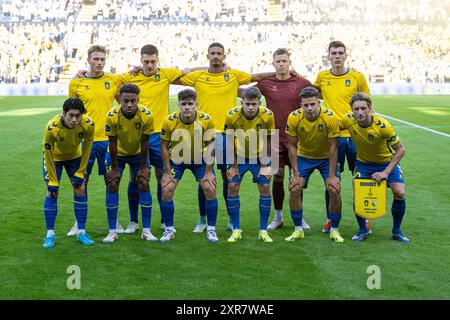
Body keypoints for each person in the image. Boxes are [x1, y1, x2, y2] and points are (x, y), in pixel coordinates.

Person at [179, 42, 284, 233]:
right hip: (204, 134)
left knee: (229, 177)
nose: (216, 56)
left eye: (219, 53)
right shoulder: (198, 76)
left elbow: (256, 76)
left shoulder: (234, 75)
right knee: (204, 178)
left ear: (224, 55)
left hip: (228, 134)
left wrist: (283, 72)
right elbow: (179, 75)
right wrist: (198, 68)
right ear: (208, 55)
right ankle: (202, 220)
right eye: (213, 54)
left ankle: (230, 218)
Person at [314, 40, 371, 233]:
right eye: (334, 53)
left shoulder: (357, 77)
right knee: (331, 180)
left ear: (345, 55)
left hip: (356, 137)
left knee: (361, 178)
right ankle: (331, 219)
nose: (337, 56)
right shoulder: (322, 77)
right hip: (333, 137)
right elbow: (311, 95)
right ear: (328, 56)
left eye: (340, 53)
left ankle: (364, 221)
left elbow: (368, 105)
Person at [252, 48, 312, 232]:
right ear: (273, 64)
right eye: (278, 61)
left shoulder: (302, 82)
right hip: (274, 138)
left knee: (297, 178)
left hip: (296, 138)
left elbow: (315, 98)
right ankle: (278, 216)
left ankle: (298, 216)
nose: (281, 64)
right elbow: (247, 93)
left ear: (289, 62)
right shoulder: (265, 83)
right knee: (277, 176)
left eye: (284, 61)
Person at [68, 45, 125, 236]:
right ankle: (78, 223)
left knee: (112, 181)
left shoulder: (113, 80)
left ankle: (114, 221)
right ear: (88, 60)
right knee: (81, 181)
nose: (99, 62)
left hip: (108, 141)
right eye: (96, 59)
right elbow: (72, 112)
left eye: (102, 59)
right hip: (84, 141)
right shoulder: (76, 83)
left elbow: (124, 103)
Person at [340, 93, 409, 243]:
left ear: (370, 108)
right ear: (351, 110)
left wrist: (385, 172)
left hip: (386, 162)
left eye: (363, 108)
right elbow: (331, 129)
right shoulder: (347, 120)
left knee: (399, 192)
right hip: (363, 163)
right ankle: (362, 230)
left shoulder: (383, 126)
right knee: (358, 194)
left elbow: (401, 150)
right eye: (356, 109)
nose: (359, 112)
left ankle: (397, 231)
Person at [285, 87, 344, 242]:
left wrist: (331, 176)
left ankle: (334, 229)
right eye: (306, 105)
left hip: (326, 158)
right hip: (304, 156)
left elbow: (333, 147)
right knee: (294, 188)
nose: (309, 108)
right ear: (301, 105)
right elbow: (291, 145)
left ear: (318, 102)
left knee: (333, 189)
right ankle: (298, 229)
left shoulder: (330, 118)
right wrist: (295, 174)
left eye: (312, 104)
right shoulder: (293, 118)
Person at [159, 89, 218, 242]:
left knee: (209, 187)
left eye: (190, 104)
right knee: (167, 189)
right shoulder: (169, 120)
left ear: (196, 105)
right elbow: (164, 146)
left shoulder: (206, 120)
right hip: (177, 160)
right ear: (178, 105)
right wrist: (166, 172)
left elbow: (212, 145)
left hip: (199, 159)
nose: (186, 107)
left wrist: (209, 172)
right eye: (183, 104)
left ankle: (211, 229)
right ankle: (169, 229)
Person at [102, 84, 155, 243]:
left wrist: (143, 167)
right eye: (126, 101)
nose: (130, 104)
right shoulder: (112, 115)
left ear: (138, 100)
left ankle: (146, 230)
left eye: (133, 101)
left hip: (138, 152)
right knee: (112, 183)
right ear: (120, 100)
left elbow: (145, 142)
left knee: (144, 182)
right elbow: (112, 143)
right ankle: (112, 231)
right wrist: (115, 169)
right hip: (117, 153)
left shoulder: (147, 115)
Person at [41, 98, 95, 248]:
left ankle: (81, 232)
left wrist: (81, 171)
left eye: (78, 116)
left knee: (80, 188)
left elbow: (87, 149)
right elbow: (47, 153)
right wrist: (52, 179)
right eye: (70, 115)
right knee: (52, 192)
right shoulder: (52, 128)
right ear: (64, 113)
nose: (74, 119)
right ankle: (50, 235)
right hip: (54, 158)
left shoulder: (88, 124)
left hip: (74, 156)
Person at [225, 87, 275, 243]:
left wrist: (265, 164)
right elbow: (228, 141)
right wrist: (232, 166)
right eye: (248, 104)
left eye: (254, 104)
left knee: (265, 187)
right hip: (238, 157)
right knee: (233, 186)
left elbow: (269, 140)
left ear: (260, 103)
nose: (251, 107)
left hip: (259, 156)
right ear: (242, 102)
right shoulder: (231, 116)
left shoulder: (267, 115)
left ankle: (263, 230)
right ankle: (236, 229)